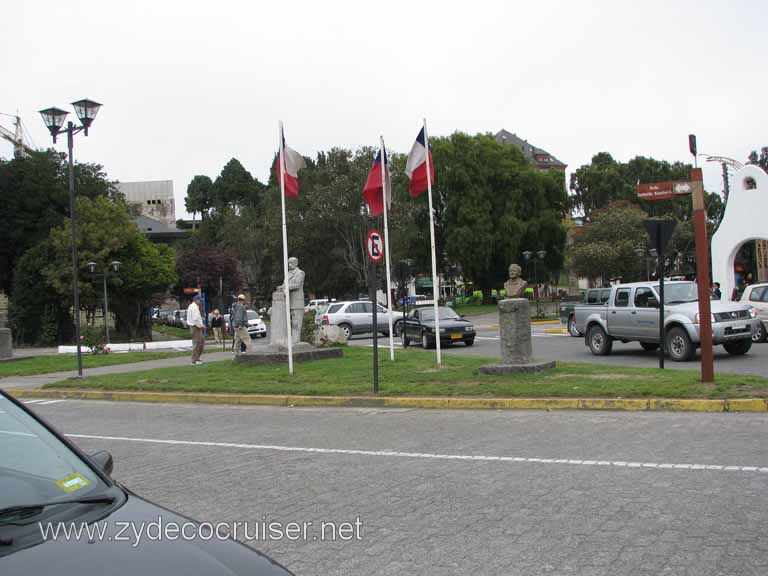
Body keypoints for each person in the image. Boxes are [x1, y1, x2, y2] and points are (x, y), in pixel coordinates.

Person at [186, 294, 205, 365]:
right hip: (195, 327)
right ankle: (194, 360)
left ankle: (197, 358)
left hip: (197, 326)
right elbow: (196, 319)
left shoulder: (195, 306)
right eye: (200, 300)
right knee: (197, 343)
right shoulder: (194, 307)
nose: (201, 302)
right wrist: (201, 326)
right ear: (196, 300)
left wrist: (201, 325)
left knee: (201, 343)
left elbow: (197, 318)